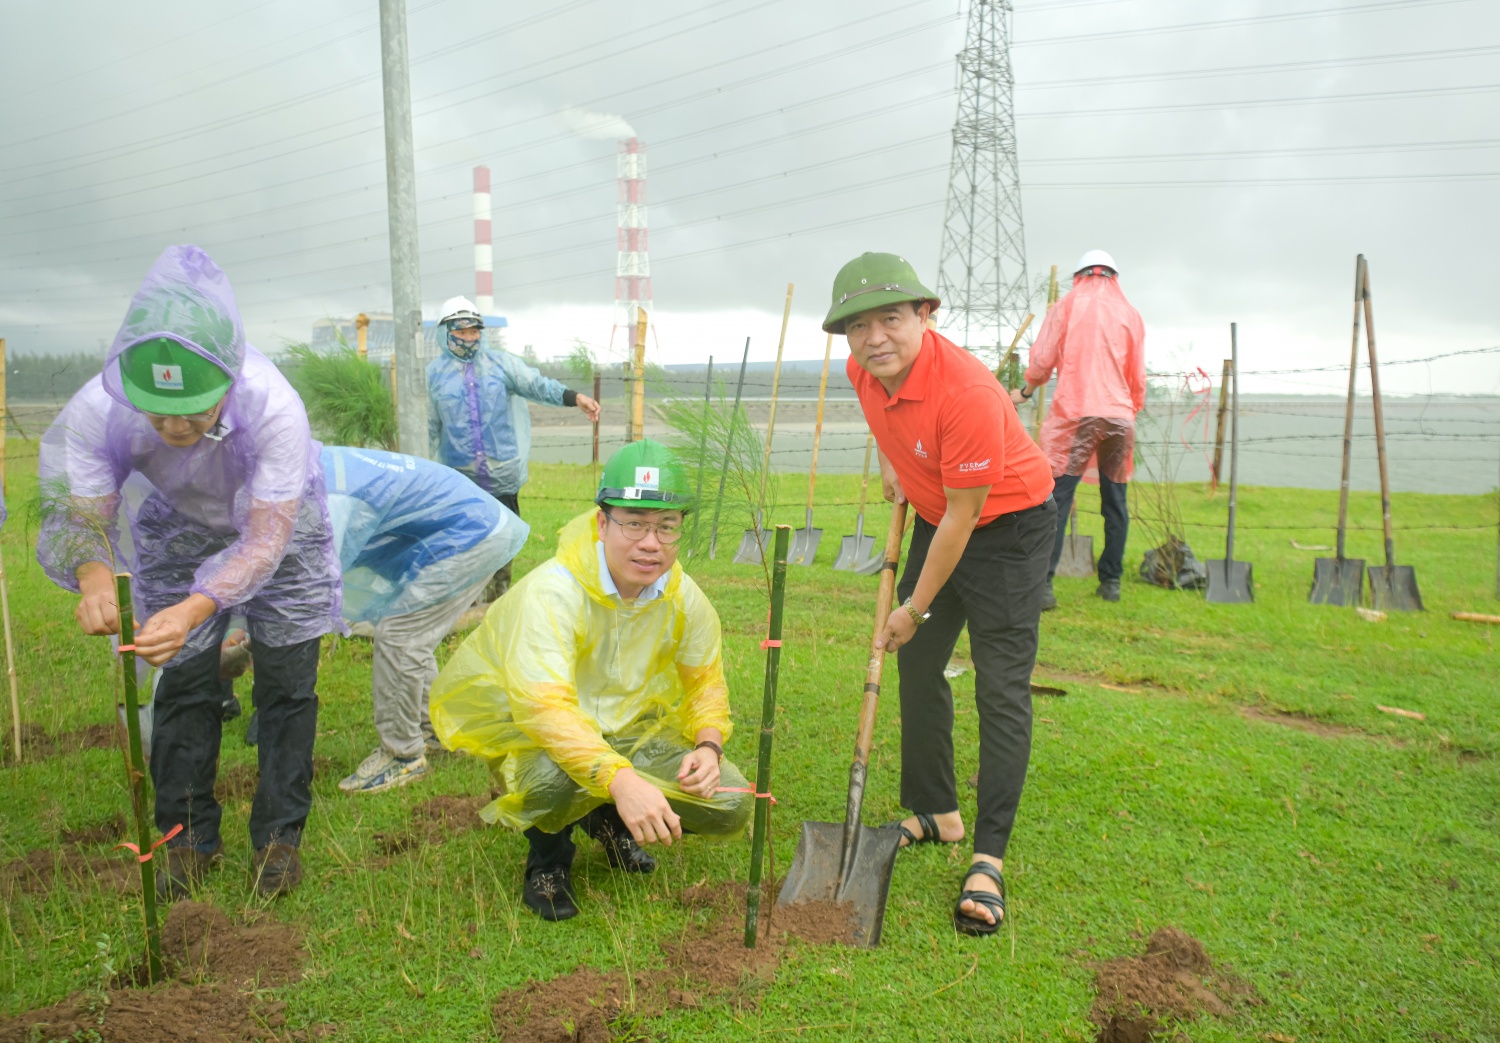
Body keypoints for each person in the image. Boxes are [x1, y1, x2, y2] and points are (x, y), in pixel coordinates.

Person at [36, 245, 342, 900]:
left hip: (279, 527)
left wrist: (198, 606)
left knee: (288, 686)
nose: (175, 425)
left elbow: (263, 540)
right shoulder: (101, 407)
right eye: (159, 410)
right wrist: (95, 579)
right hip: (179, 524)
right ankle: (187, 838)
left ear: (226, 381)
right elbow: (86, 516)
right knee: (182, 681)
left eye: (195, 410)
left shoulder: (274, 407)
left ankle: (279, 840)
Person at [824, 252, 1056, 937]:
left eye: (890, 318)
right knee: (919, 662)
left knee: (1000, 684)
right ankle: (936, 811)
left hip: (1008, 527)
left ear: (925, 314)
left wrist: (912, 606)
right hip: (938, 513)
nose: (874, 338)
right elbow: (890, 428)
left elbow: (964, 518)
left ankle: (988, 856)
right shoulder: (861, 372)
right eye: (857, 326)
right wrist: (899, 468)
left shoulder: (969, 393)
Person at [429, 439, 752, 922]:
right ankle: (549, 860)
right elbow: (545, 709)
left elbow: (706, 682)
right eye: (634, 524)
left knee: (730, 804)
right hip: (535, 735)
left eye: (667, 527)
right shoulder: (554, 593)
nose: (651, 542)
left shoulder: (685, 599)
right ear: (602, 524)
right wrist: (621, 779)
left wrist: (709, 747)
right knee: (549, 784)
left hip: (623, 730)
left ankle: (606, 815)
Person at [321, 445, 529, 794]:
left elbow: (317, 578)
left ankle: (402, 756)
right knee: (409, 633)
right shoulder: (321, 467)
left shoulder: (326, 494)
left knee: (401, 635)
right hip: (473, 526)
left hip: (471, 534)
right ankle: (434, 726)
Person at [426, 296, 602, 599]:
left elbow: (536, 385)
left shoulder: (501, 365)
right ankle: (471, 597)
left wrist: (574, 398)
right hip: (458, 475)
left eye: (474, 331)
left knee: (504, 535)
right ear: (445, 332)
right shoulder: (433, 377)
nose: (469, 338)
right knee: (465, 538)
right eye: (461, 331)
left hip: (501, 472)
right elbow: (427, 427)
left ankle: (501, 592)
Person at [1011, 250, 1146, 607]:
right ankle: (1111, 583)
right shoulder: (1130, 314)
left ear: (1079, 276)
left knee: (1057, 500)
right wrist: (1130, 409)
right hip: (1119, 417)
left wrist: (1026, 390)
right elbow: (1137, 374)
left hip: (1078, 414)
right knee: (1115, 501)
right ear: (1113, 277)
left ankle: (1044, 586)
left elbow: (1043, 358)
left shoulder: (1067, 306)